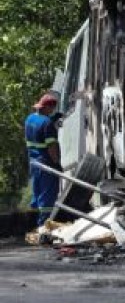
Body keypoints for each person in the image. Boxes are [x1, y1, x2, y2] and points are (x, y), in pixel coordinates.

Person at [25, 92, 61, 226]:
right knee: (48, 196)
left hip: (34, 163)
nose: (53, 111)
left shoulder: (29, 119)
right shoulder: (47, 124)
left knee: (37, 194)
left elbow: (37, 131)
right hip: (46, 164)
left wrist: (51, 120)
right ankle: (43, 227)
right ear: (48, 108)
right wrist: (56, 163)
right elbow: (51, 147)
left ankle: (31, 225)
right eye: (52, 109)